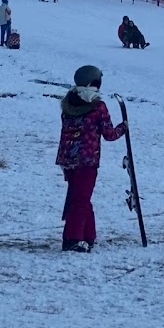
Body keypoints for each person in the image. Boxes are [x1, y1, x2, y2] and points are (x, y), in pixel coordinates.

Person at [56, 64, 126, 252]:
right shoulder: (97, 106)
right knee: (81, 199)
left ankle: (88, 235)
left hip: (67, 158)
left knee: (80, 196)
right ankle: (72, 238)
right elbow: (109, 134)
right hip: (87, 160)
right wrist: (123, 128)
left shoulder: (69, 103)